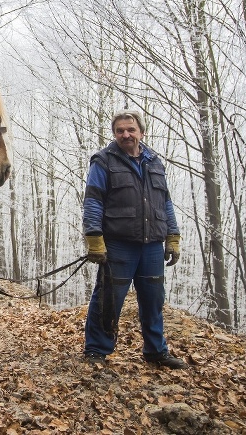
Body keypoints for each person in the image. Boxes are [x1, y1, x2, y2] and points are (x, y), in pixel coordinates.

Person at [81, 110, 186, 369]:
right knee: (108, 300)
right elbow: (93, 201)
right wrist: (94, 237)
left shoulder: (155, 163)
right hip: (118, 244)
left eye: (130, 129)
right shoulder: (103, 161)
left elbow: (166, 203)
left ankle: (156, 351)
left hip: (152, 245)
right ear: (114, 134)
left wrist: (172, 235)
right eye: (120, 131)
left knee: (153, 300)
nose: (125, 134)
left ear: (141, 132)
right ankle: (96, 350)